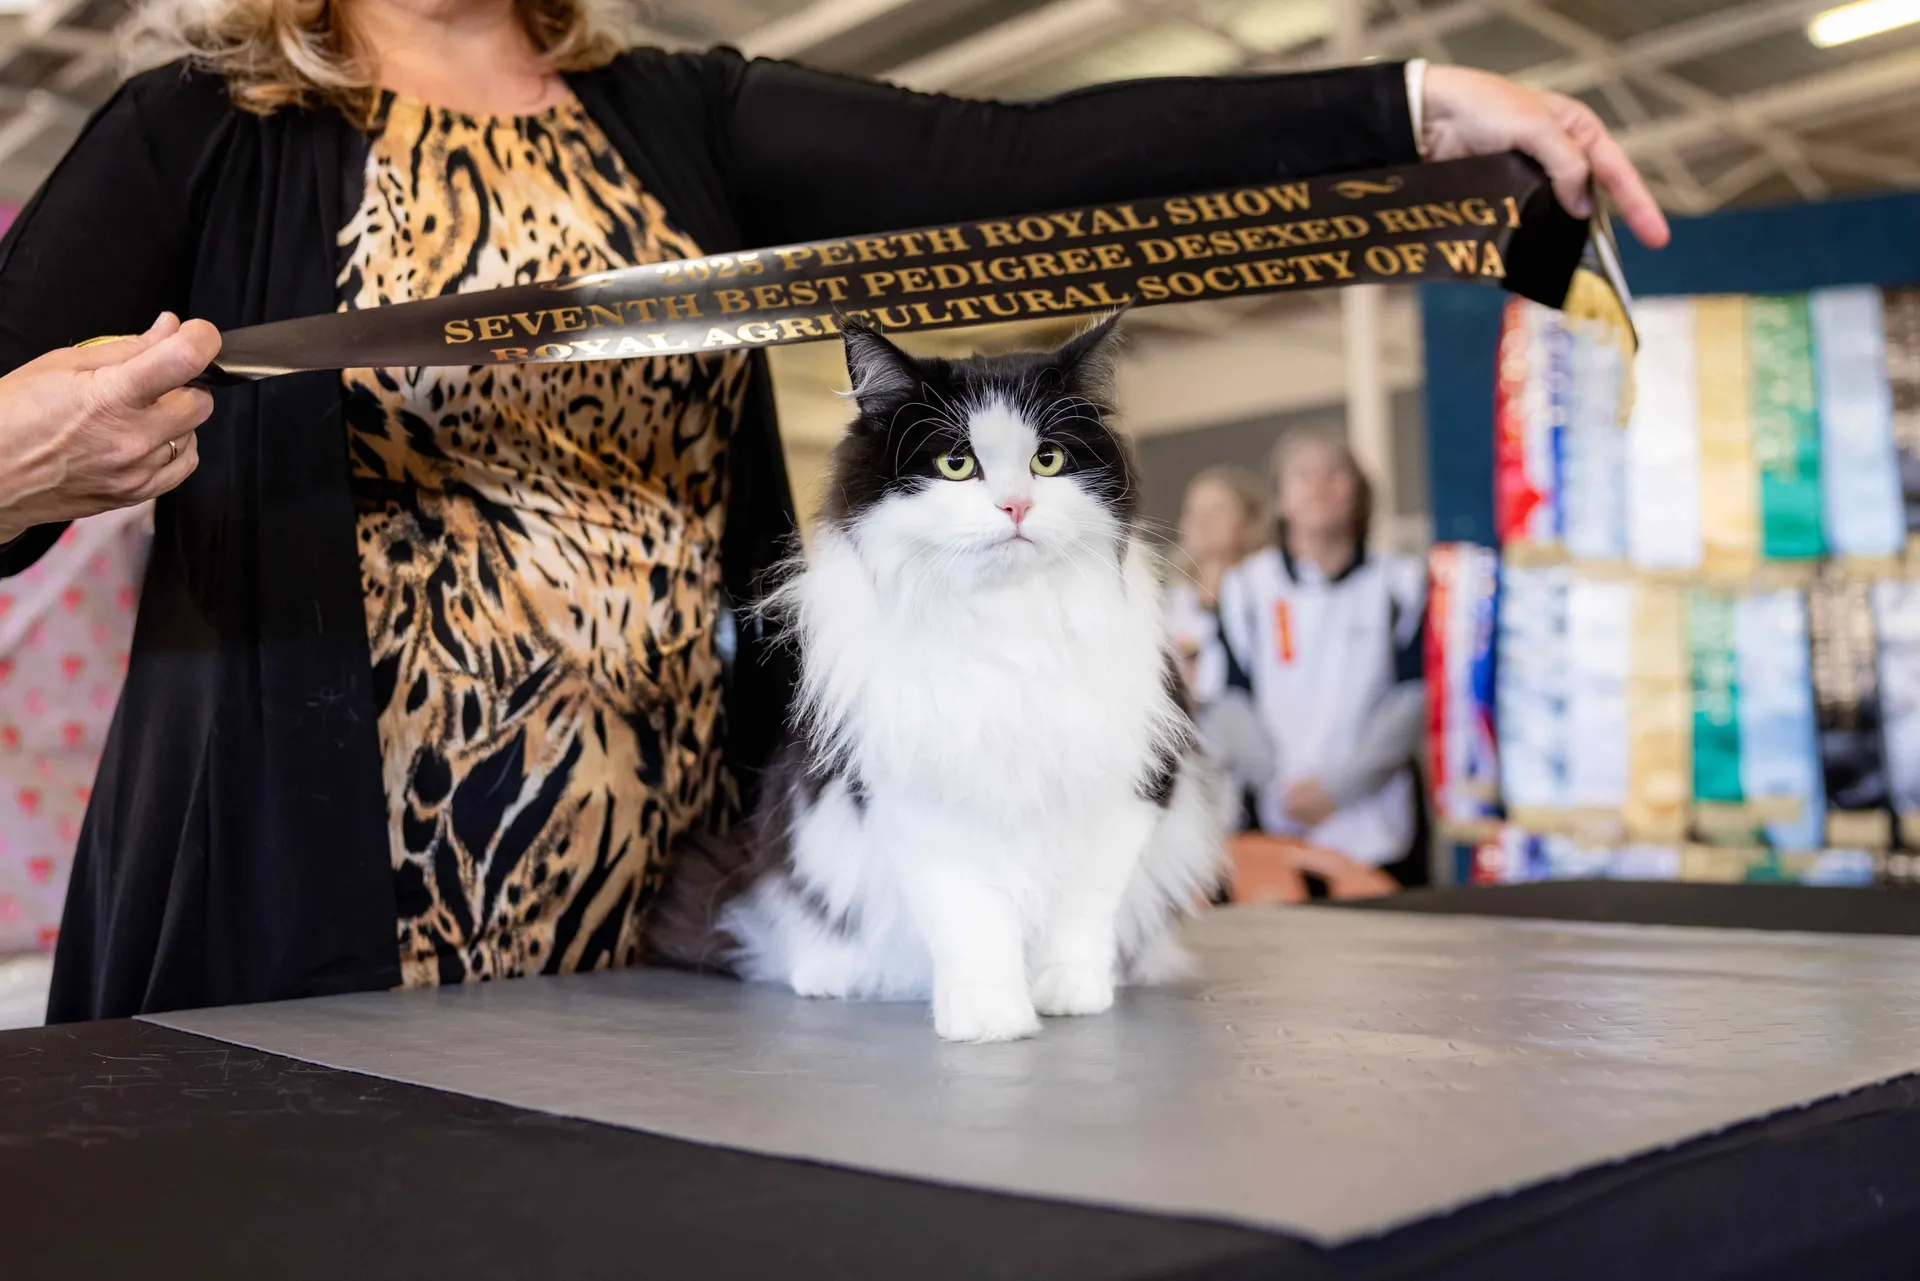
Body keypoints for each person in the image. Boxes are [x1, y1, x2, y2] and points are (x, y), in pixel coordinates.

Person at [0, 0, 1667, 1021]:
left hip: (685, 905)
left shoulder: (674, 118)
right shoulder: (202, 132)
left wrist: (1404, 109)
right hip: (315, 912)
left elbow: (1019, 167)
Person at [1215, 428, 1429, 882]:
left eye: (1335, 474)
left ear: (1359, 492)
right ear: (1280, 497)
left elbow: (1412, 698)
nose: (1318, 487)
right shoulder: (1247, 589)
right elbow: (1230, 698)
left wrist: (1340, 787)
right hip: (1279, 825)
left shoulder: (1401, 583)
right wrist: (1280, 783)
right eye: (1303, 475)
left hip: (1378, 828)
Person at [1166, 464, 1266, 707]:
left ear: (1249, 524)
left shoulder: (1266, 592)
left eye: (1217, 510)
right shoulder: (1168, 602)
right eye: (1192, 510)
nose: (1202, 521)